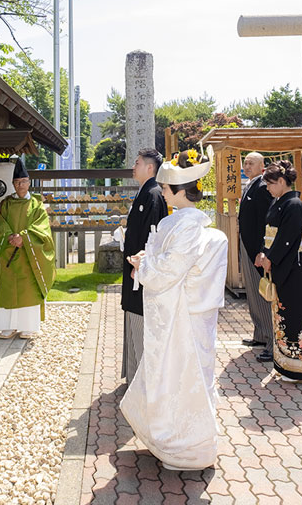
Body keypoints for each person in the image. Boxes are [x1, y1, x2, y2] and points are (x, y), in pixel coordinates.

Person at [120, 150, 228, 471]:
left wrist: (144, 264)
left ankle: (187, 446)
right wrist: (148, 261)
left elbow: (170, 270)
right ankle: (174, 436)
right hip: (185, 311)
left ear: (181, 191)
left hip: (182, 315)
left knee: (182, 375)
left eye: (167, 188)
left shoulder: (186, 226)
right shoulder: (187, 222)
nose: (163, 192)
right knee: (177, 374)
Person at [0, 158, 55, 339]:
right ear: (13, 184)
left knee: (27, 290)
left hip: (29, 255)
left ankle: (28, 326)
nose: (20, 185)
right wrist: (10, 236)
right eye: (17, 182)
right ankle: (6, 326)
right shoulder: (5, 204)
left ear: (29, 182)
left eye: (23, 181)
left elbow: (42, 229)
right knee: (7, 289)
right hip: (8, 252)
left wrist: (24, 237)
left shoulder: (37, 205)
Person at [255, 160, 302, 383]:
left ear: (281, 182)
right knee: (280, 315)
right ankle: (284, 363)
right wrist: (263, 252)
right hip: (279, 263)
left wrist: (270, 257)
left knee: (294, 315)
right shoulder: (279, 202)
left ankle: (299, 369)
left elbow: (288, 239)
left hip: (292, 266)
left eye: (270, 184)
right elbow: (269, 234)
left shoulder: (294, 204)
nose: (268, 189)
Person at [119, 148, 168, 381]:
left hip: (141, 271)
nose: (133, 166)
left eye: (137, 162)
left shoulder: (154, 194)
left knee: (140, 316)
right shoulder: (144, 192)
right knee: (131, 313)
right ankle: (132, 375)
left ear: (150, 167)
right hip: (134, 267)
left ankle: (142, 380)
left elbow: (154, 237)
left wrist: (142, 265)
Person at [238, 151, 274, 359]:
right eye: (245, 162)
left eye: (251, 163)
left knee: (262, 294)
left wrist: (263, 249)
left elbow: (266, 221)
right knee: (252, 292)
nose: (247, 166)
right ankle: (260, 334)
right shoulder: (250, 184)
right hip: (246, 244)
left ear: (262, 166)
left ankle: (271, 340)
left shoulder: (262, 187)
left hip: (257, 249)